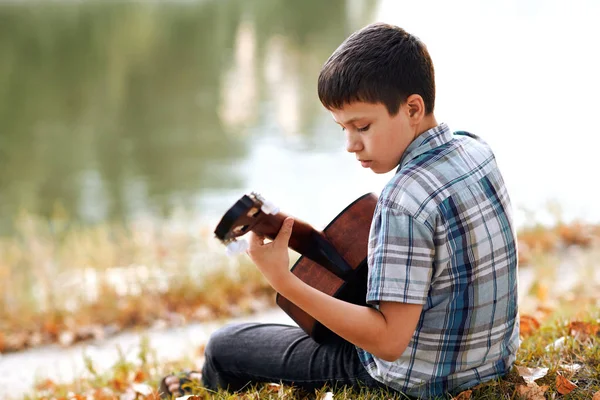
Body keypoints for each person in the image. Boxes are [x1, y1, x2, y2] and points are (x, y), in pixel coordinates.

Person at [160, 22, 519, 399]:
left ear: (413, 108)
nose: (351, 144)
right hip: (491, 359)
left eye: (361, 126)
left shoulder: (402, 200)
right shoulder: (475, 149)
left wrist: (284, 282)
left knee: (225, 346)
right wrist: (295, 234)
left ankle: (200, 388)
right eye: (342, 128)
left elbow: (389, 341)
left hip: (419, 380)